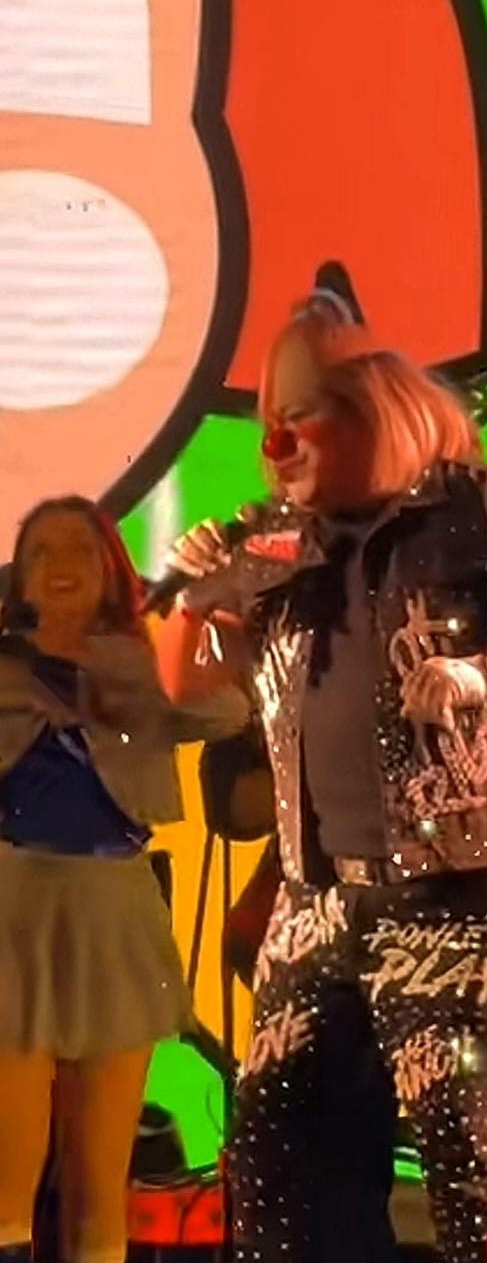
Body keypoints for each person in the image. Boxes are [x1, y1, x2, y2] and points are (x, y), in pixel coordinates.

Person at [156, 269, 487, 1263]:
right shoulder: (274, 536)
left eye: (300, 420)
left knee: (463, 1149)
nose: (276, 447)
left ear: (369, 411)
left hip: (456, 891)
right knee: (272, 1146)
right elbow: (185, 684)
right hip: (316, 896)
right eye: (269, 424)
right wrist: (193, 598)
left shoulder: (479, 508)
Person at [0, 496, 249, 1263]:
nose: (62, 565)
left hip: (116, 912)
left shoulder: (146, 665)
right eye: (43, 551)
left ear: (113, 568)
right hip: (13, 908)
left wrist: (199, 618)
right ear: (20, 577)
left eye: (81, 548)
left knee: (100, 1185)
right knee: (7, 1183)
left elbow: (227, 712)